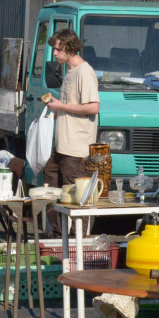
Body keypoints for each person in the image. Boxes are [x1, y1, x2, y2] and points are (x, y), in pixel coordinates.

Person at [42, 28, 100, 234]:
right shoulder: (69, 71)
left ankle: (77, 242)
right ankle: (59, 238)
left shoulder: (84, 72)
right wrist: (57, 109)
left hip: (76, 149)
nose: (54, 53)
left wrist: (61, 106)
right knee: (51, 190)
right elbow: (70, 104)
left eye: (58, 49)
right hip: (62, 145)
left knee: (76, 198)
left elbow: (93, 107)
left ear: (68, 47)